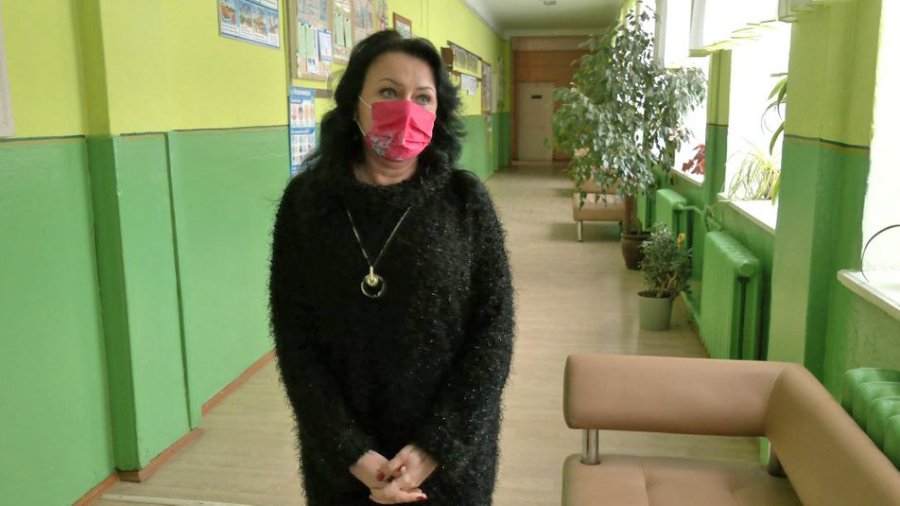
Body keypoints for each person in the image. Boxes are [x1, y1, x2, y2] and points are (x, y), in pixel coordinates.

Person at [268, 30, 515, 505]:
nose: (406, 109)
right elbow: (296, 341)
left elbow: (493, 333)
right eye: (388, 91)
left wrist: (434, 448)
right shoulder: (307, 204)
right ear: (354, 104)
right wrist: (351, 453)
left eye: (422, 97)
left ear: (438, 111)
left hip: (450, 463)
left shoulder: (464, 202)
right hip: (344, 469)